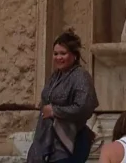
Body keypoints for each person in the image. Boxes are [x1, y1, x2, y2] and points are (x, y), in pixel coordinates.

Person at [26, 33, 96, 163]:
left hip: (70, 142)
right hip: (48, 138)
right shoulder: (55, 76)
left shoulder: (81, 76)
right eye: (56, 54)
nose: (58, 57)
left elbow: (84, 107)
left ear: (74, 56)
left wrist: (55, 111)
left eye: (63, 53)